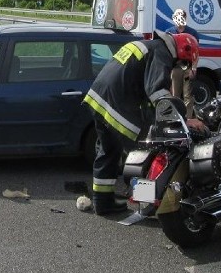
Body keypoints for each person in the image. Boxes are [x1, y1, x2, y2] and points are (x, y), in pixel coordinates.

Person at [83, 31, 203, 215]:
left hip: (98, 99)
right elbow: (157, 93)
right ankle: (145, 202)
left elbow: (147, 97)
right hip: (117, 104)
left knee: (109, 151)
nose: (178, 66)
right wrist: (184, 119)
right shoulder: (161, 53)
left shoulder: (148, 46)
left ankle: (102, 202)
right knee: (145, 152)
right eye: (182, 62)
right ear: (182, 51)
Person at [165, 8, 199, 113]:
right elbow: (167, 52)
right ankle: (175, 117)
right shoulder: (169, 32)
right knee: (175, 95)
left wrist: (194, 68)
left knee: (188, 96)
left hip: (188, 67)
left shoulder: (192, 33)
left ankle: (188, 119)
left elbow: (196, 52)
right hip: (175, 67)